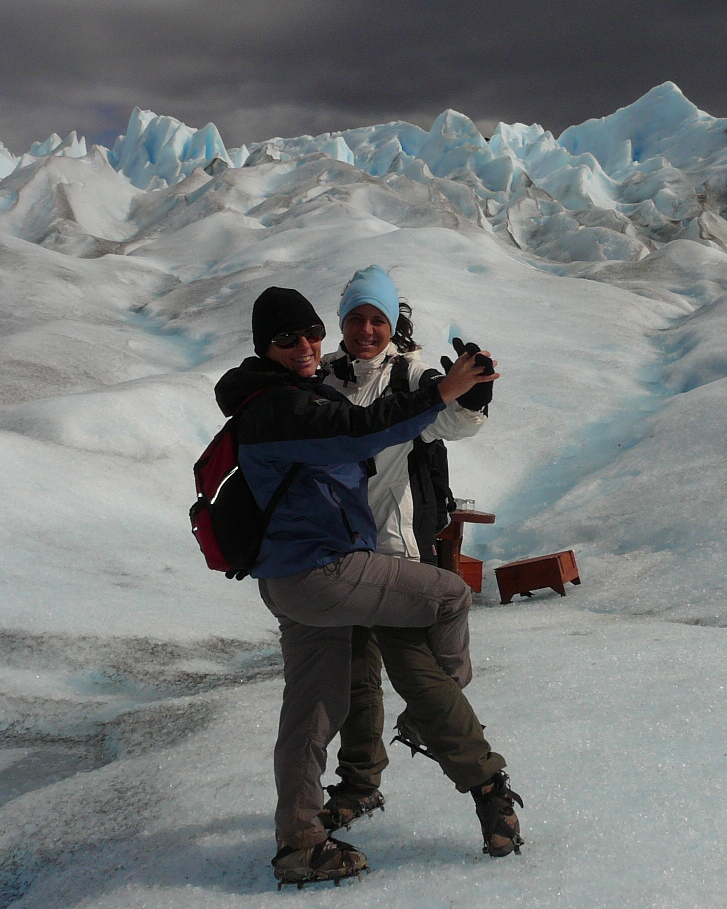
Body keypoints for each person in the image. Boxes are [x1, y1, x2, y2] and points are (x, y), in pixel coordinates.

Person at [213, 285, 522, 887]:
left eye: (310, 334)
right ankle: (439, 741)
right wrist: (442, 390)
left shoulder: (291, 390)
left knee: (312, 709)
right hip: (328, 570)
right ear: (264, 346)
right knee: (452, 597)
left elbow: (440, 426)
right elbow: (357, 432)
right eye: (287, 338)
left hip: (297, 573)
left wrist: (464, 393)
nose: (305, 345)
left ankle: (300, 844)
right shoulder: (284, 403)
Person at [316, 265, 491, 833]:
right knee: (351, 674)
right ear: (342, 322)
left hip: (394, 551)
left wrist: (474, 398)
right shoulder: (322, 378)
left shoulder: (412, 377)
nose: (366, 329)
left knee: (416, 671)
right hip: (335, 553)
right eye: (356, 318)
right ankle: (359, 783)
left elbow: (450, 425)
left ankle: (486, 785)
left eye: (378, 319)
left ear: (393, 324)